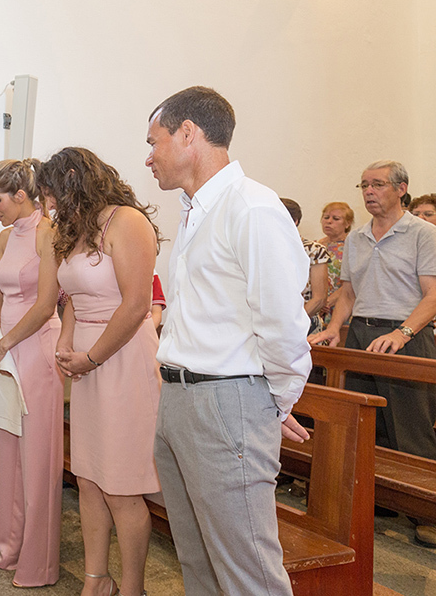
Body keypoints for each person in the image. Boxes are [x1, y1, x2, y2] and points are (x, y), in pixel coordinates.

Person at [145, 86, 312, 595]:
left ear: (188, 134)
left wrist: (273, 403)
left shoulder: (251, 207)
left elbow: (283, 323)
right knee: (197, 562)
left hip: (225, 400)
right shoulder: (195, 208)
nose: (148, 157)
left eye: (153, 142)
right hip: (180, 397)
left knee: (248, 574)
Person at [39, 147, 161, 596]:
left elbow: (137, 304)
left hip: (123, 358)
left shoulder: (126, 222)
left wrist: (91, 358)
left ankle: (132, 588)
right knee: (88, 478)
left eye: (51, 194)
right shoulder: (75, 230)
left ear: (73, 178)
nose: (49, 205)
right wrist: (66, 341)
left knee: (121, 485)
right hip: (87, 363)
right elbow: (73, 297)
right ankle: (97, 579)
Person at [310, 160, 436, 548]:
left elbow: (433, 295)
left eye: (377, 184)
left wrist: (402, 333)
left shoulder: (423, 233)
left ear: (401, 189)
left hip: (406, 335)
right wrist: (334, 328)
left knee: (410, 427)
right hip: (362, 333)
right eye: (364, 184)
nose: (368, 191)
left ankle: (427, 513)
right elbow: (348, 292)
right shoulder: (359, 237)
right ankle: (380, 497)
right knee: (366, 423)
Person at [0, 159, 64, 587]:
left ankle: (38, 562)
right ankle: (10, 547)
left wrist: (7, 343)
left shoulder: (48, 233)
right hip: (6, 349)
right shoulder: (3, 237)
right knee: (9, 450)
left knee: (37, 458)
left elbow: (47, 304)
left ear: (20, 196)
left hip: (36, 348)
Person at [281, 198, 331, 334]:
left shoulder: (314, 250)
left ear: (295, 221)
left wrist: (292, 324)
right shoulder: (265, 249)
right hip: (273, 323)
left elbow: (319, 299)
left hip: (304, 322)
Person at [317, 201, 354, 327]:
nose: (329, 221)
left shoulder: (353, 246)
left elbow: (355, 280)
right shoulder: (316, 246)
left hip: (342, 307)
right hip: (318, 307)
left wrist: (328, 301)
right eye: (326, 217)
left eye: (336, 218)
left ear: (347, 223)